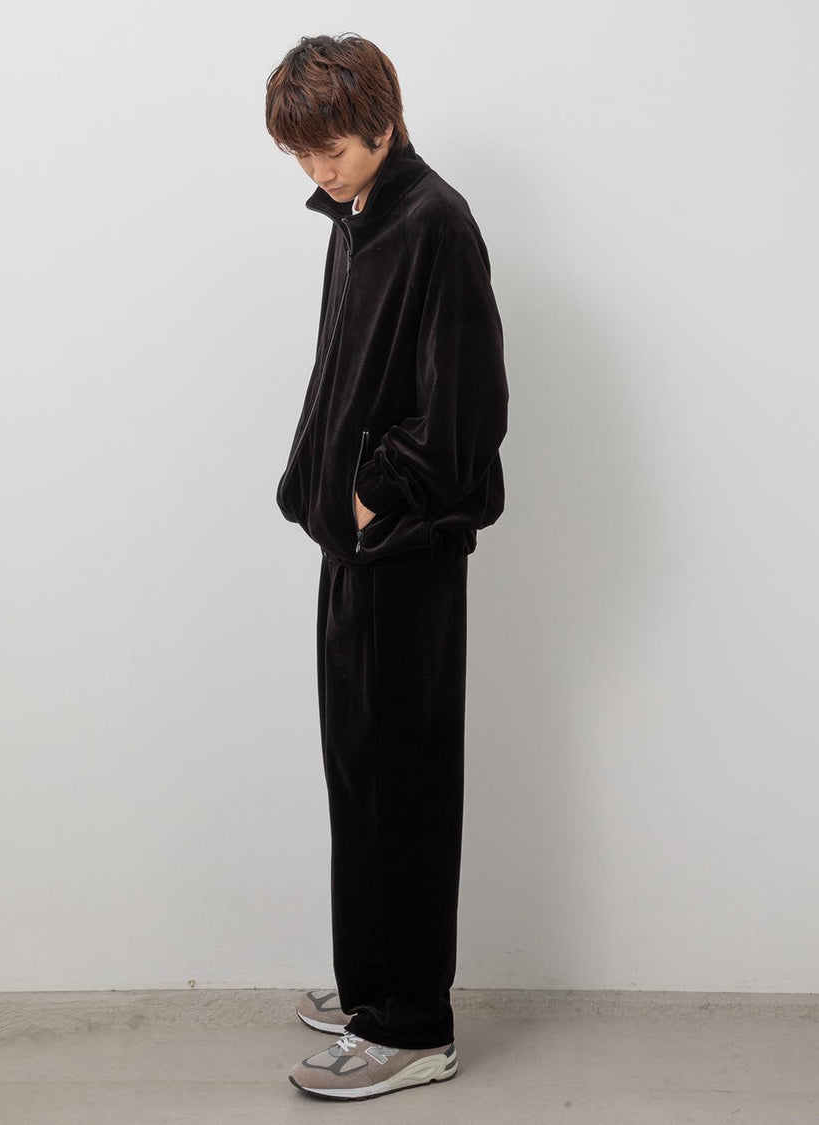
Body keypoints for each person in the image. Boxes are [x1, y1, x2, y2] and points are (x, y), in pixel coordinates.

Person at [265, 32, 509, 1102]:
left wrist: (376, 493)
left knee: (403, 784)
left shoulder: (434, 222)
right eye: (302, 152)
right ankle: (373, 987)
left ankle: (413, 1023)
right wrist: (328, 498)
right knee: (359, 774)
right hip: (353, 548)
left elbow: (468, 410)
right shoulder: (360, 216)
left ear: (383, 121)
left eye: (331, 147)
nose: (317, 168)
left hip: (405, 553)